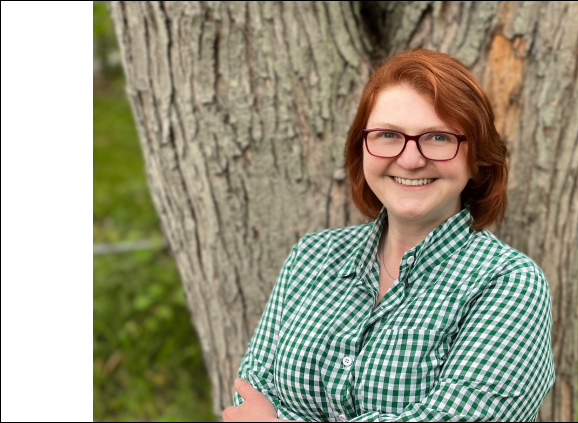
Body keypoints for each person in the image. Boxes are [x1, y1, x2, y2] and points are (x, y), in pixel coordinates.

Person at [222, 48, 555, 422]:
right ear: (361, 148)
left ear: (476, 158)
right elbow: (247, 398)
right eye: (388, 135)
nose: (410, 159)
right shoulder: (312, 257)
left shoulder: (508, 283)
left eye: (439, 138)